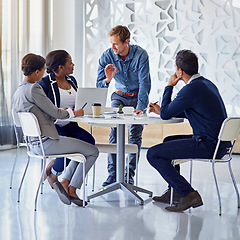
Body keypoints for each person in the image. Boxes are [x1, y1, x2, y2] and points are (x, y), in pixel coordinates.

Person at [146, 49, 231, 212]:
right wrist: (161, 109)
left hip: (208, 145)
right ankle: (175, 191)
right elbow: (188, 110)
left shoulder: (190, 89)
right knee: (168, 141)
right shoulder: (206, 84)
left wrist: (169, 86)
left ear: (180, 71)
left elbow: (165, 115)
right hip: (219, 143)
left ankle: (188, 193)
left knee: (153, 154)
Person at [12, 53, 99, 207]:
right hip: (47, 142)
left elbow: (40, 113)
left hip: (32, 144)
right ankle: (70, 188)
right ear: (37, 71)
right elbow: (56, 113)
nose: (45, 72)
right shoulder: (35, 88)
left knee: (85, 144)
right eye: (44, 69)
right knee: (93, 151)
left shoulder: (19, 90)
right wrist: (72, 112)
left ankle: (66, 183)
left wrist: (53, 113)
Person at [96, 25, 151, 186]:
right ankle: (113, 175)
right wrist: (107, 79)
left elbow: (145, 84)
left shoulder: (140, 55)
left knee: (135, 136)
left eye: (116, 44)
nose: (112, 47)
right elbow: (100, 87)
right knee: (114, 133)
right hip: (119, 97)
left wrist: (141, 106)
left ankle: (129, 175)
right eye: (111, 43)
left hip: (136, 98)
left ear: (126, 42)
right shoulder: (107, 56)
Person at [37, 50, 95, 176]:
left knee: (89, 141)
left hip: (70, 124)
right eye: (70, 62)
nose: (73, 65)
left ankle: (66, 176)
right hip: (54, 125)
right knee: (67, 147)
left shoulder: (72, 80)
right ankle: (54, 173)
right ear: (60, 67)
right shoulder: (44, 84)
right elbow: (40, 108)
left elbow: (77, 101)